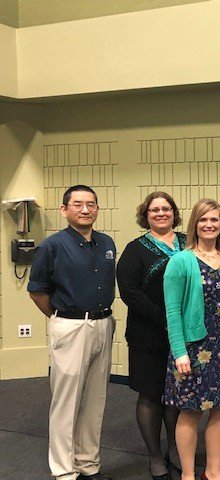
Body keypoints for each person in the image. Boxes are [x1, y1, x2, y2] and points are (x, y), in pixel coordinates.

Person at [28, 184, 116, 480]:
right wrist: (59, 317)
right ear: (64, 210)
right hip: (69, 326)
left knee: (95, 400)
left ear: (98, 209)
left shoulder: (107, 243)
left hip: (104, 324)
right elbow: (37, 291)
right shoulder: (51, 246)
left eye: (91, 204)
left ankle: (87, 463)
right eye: (77, 204)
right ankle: (64, 470)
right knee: (66, 402)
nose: (85, 209)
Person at [163, 199, 220, 480]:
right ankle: (188, 474)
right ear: (194, 225)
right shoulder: (181, 261)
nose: (209, 225)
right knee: (190, 411)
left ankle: (213, 472)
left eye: (215, 220)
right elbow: (172, 312)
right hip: (193, 348)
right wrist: (179, 352)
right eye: (203, 220)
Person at [116, 191, 185, 480]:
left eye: (166, 209)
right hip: (149, 333)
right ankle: (155, 455)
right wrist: (164, 319)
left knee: (177, 397)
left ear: (173, 213)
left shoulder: (187, 243)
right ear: (146, 215)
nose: (161, 214)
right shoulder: (135, 249)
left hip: (184, 335)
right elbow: (130, 292)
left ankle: (177, 450)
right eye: (154, 210)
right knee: (151, 394)